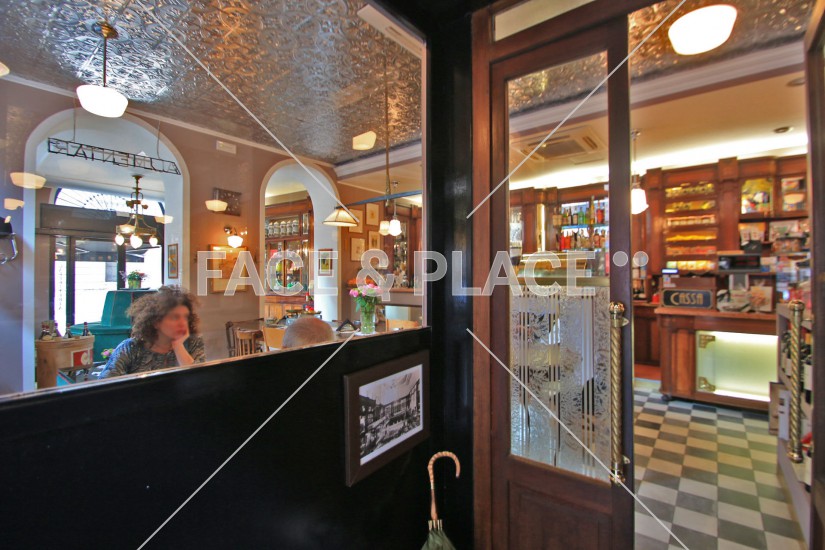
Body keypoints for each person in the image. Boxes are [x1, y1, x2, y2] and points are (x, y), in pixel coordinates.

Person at [99, 286, 206, 378]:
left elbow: (198, 381)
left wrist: (178, 346)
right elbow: (105, 386)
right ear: (156, 322)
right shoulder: (130, 348)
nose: (182, 323)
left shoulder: (192, 343)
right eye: (175, 317)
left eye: (186, 317)